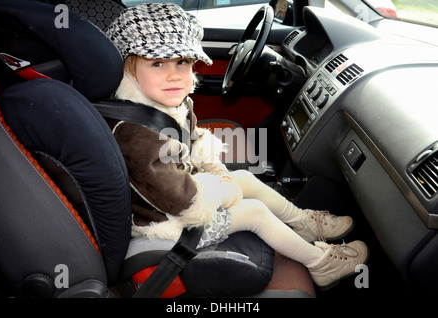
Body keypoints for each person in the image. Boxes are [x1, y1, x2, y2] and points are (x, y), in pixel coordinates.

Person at [104, 2, 368, 289]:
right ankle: (321, 263)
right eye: (157, 63)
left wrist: (217, 169)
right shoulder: (133, 134)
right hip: (163, 225)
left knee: (243, 177)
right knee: (254, 212)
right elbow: (182, 201)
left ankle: (303, 223)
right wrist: (223, 188)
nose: (173, 75)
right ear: (130, 72)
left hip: (177, 194)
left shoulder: (169, 104)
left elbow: (192, 138)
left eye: (182, 62)